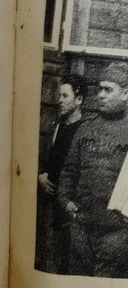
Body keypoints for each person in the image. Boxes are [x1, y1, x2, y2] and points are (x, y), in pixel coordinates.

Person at [57, 62, 128, 277]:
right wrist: (65, 200)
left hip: (116, 231)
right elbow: (69, 170)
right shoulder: (86, 128)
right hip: (82, 226)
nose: (101, 95)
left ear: (126, 94)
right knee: (79, 285)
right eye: (100, 89)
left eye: (108, 90)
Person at [37, 75, 86, 273]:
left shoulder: (84, 129)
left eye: (65, 96)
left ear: (79, 100)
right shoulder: (57, 126)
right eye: (59, 95)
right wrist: (40, 176)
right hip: (50, 202)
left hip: (71, 205)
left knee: (71, 258)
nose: (60, 100)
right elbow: (45, 158)